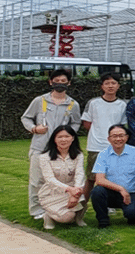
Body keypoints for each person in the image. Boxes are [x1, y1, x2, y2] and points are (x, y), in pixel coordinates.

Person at [21, 68, 81, 219]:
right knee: (37, 180)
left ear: (69, 83)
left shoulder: (73, 104)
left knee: (59, 181)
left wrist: (68, 136)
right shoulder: (39, 101)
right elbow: (25, 118)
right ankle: (37, 211)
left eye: (63, 81)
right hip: (40, 147)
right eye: (57, 81)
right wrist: (34, 128)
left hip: (61, 150)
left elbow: (76, 123)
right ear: (50, 82)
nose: (60, 83)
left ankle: (56, 207)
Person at [90, 124, 135, 228]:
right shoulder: (103, 154)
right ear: (109, 139)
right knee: (97, 191)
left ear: (127, 137)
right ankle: (103, 220)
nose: (118, 139)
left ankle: (133, 214)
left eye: (121, 135)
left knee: (133, 215)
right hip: (111, 193)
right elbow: (99, 180)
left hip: (131, 192)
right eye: (114, 136)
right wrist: (121, 189)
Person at [81, 73, 127, 200]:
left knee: (112, 177)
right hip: (96, 146)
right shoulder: (93, 103)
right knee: (91, 178)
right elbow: (87, 123)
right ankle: (81, 206)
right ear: (102, 86)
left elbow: (122, 125)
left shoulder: (122, 105)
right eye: (107, 83)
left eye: (113, 83)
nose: (110, 86)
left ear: (118, 86)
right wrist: (98, 133)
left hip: (114, 147)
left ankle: (109, 204)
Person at [37, 125, 85, 229]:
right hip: (52, 192)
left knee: (83, 195)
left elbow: (80, 174)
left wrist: (76, 192)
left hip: (73, 190)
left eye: (67, 136)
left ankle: (78, 218)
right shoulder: (44, 157)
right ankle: (48, 215)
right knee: (67, 217)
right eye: (59, 137)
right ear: (54, 139)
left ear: (72, 138)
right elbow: (49, 179)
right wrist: (69, 189)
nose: (63, 140)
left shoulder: (78, 155)